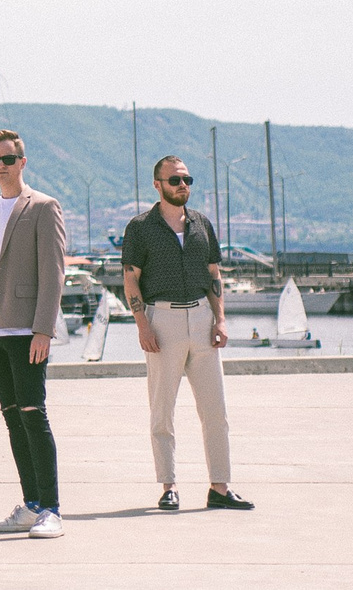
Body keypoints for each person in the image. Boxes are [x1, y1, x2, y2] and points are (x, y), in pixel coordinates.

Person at [123, 154, 253, 512]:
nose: (183, 186)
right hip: (161, 322)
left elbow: (214, 273)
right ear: (158, 185)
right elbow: (130, 278)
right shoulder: (140, 227)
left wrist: (220, 319)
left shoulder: (201, 224)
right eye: (176, 180)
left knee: (216, 411)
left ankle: (220, 488)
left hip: (201, 320)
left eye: (187, 180)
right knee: (162, 411)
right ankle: (169, 486)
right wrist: (143, 325)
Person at [0, 128, 69, 540]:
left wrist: (44, 328)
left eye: (7, 159)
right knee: (12, 420)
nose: (1, 166)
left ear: (22, 162)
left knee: (32, 416)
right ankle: (31, 504)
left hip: (26, 331)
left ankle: (53, 509)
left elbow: (53, 274)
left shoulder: (43, 206)